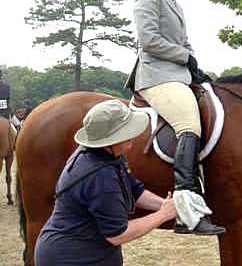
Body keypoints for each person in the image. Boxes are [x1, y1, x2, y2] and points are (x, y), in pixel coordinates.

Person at [125, 0, 225, 236]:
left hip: (178, 74)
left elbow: (183, 42)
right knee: (189, 124)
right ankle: (186, 209)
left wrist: (194, 62)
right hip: (155, 75)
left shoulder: (175, 2)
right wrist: (185, 57)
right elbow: (149, 40)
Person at [34, 99, 177, 266]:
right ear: (110, 141)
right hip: (73, 259)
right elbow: (118, 235)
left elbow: (133, 190)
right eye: (126, 133)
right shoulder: (101, 177)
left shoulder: (105, 154)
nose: (133, 136)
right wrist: (163, 215)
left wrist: (167, 205)